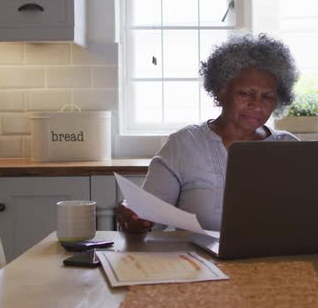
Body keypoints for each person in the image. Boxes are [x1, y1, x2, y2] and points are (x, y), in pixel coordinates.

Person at [117, 33, 300, 234]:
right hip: (200, 264)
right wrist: (134, 217)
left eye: (267, 97)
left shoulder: (289, 147)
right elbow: (148, 220)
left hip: (275, 263)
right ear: (222, 91)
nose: (257, 105)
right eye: (246, 94)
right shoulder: (184, 144)